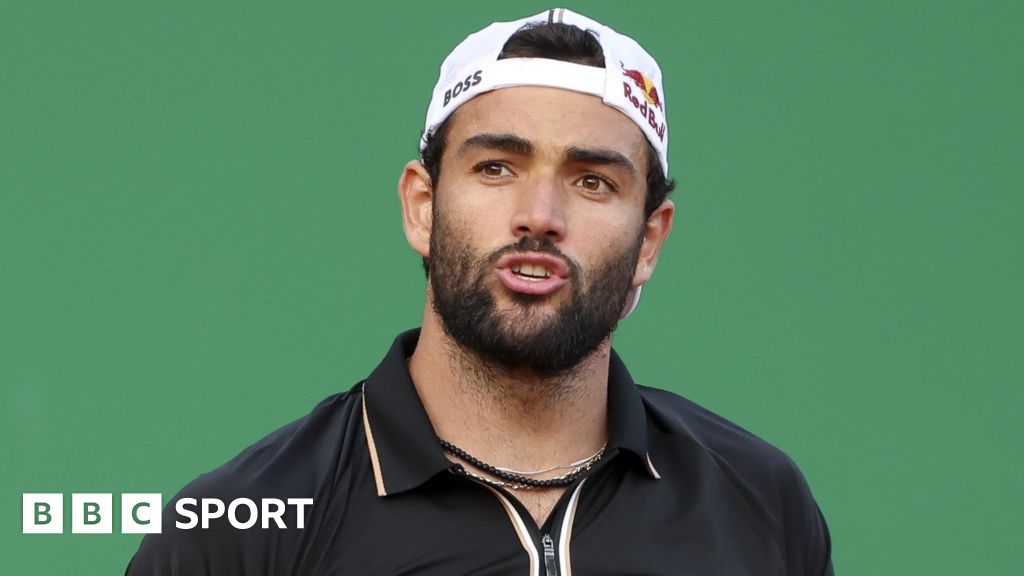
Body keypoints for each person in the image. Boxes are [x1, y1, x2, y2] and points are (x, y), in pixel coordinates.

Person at [127, 8, 833, 575]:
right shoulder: (242, 528)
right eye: (497, 167)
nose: (541, 216)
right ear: (422, 207)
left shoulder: (756, 501)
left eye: (593, 181)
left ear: (649, 240)